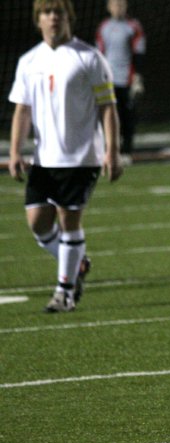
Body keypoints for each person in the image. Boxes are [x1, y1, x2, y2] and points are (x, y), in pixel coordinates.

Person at [8, 0, 123, 313]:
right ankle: (76, 262)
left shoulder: (88, 57)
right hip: (44, 158)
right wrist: (15, 150)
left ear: (68, 17)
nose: (53, 18)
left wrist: (112, 151)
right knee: (37, 223)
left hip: (81, 157)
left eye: (58, 12)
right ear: (38, 20)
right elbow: (22, 109)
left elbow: (107, 107)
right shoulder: (28, 61)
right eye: (47, 13)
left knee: (69, 221)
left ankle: (65, 292)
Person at [95, 0, 145, 158]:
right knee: (108, 115)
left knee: (127, 115)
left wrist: (137, 76)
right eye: (115, 4)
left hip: (126, 79)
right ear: (109, 7)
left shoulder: (133, 26)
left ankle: (127, 150)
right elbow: (99, 54)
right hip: (108, 80)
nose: (118, 8)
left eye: (121, 4)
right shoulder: (103, 27)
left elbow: (139, 52)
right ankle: (108, 149)